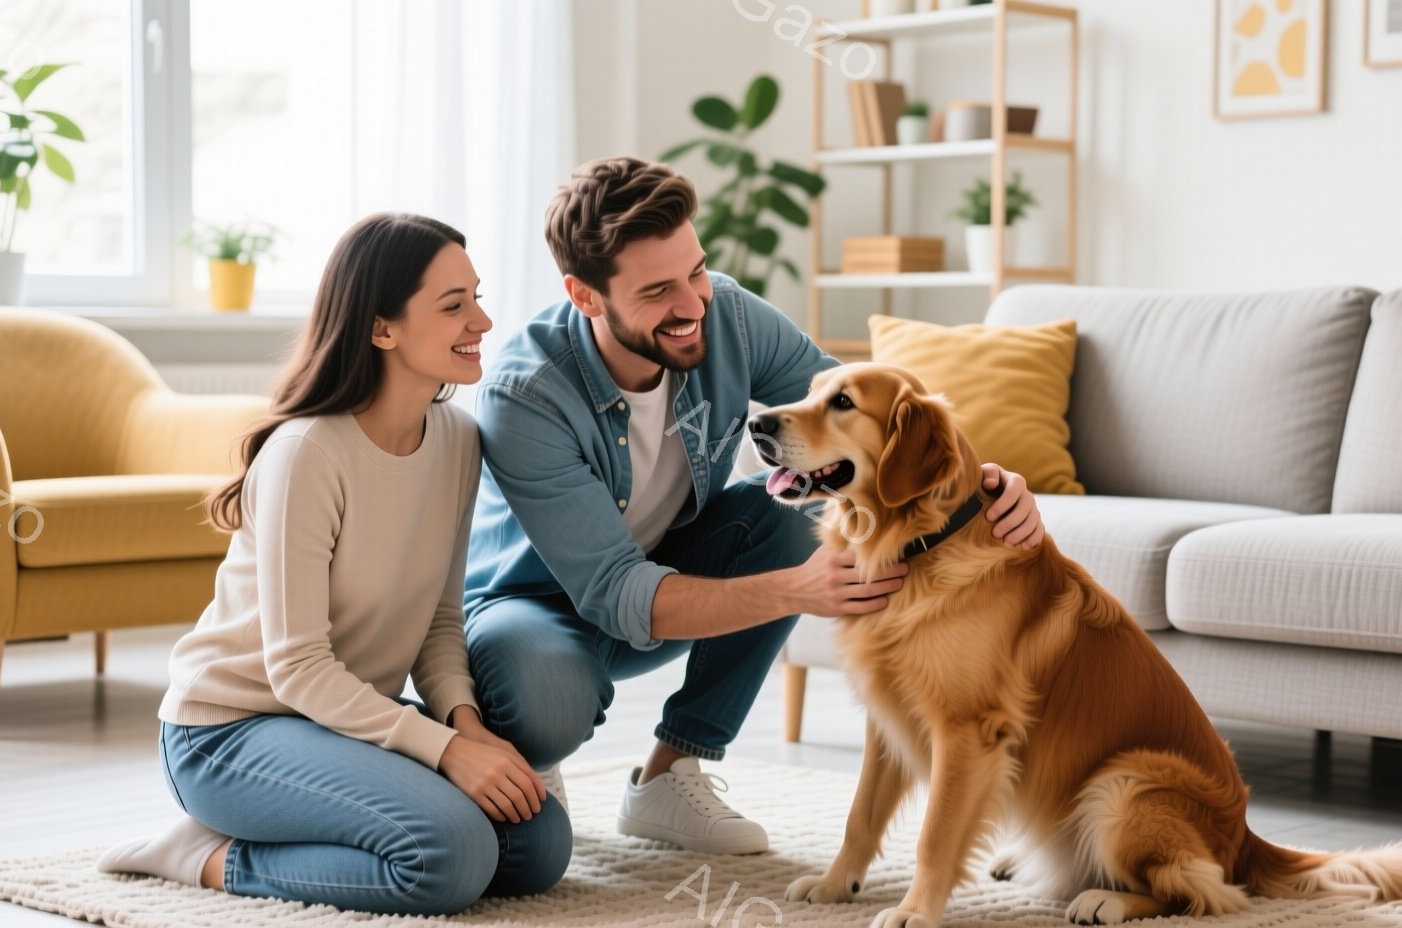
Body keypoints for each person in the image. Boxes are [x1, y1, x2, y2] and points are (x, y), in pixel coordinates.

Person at [464, 157, 1044, 856]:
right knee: (547, 700)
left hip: (667, 576)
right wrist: (798, 588)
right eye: (656, 292)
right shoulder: (526, 393)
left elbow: (866, 416)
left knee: (792, 510)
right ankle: (527, 744)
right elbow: (617, 592)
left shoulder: (727, 316)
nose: (691, 304)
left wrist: (987, 483)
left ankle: (667, 777)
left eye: (696, 270)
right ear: (585, 297)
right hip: (534, 611)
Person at [97, 213, 570, 915]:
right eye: (454, 305)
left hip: (342, 720)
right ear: (383, 329)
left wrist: (466, 731)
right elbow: (297, 668)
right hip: (229, 730)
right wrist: (441, 753)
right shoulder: (307, 454)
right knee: (450, 858)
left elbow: (440, 621)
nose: (483, 318)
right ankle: (204, 853)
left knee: (537, 843)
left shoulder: (458, 442)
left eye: (475, 295)